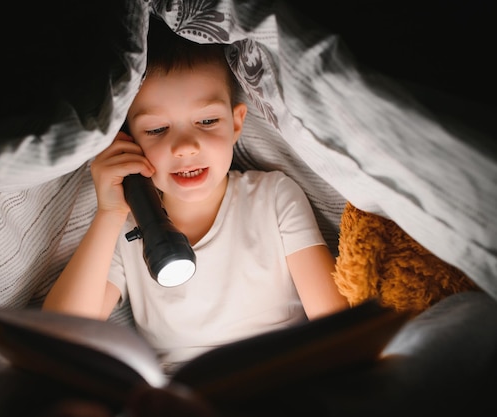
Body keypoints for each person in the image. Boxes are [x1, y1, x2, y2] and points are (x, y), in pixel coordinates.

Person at [43, 18, 348, 374]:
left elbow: (337, 329)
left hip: (277, 380)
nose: (186, 146)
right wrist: (108, 214)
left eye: (207, 122)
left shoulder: (273, 198)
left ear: (236, 123)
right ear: (128, 141)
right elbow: (59, 337)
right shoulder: (127, 231)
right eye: (157, 129)